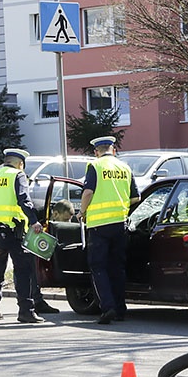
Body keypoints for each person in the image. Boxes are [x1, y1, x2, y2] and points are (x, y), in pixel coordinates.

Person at [0, 148, 47, 324]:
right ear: (20, 164)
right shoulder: (17, 176)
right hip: (15, 232)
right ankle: (26, 311)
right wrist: (34, 220)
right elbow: (23, 199)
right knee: (23, 271)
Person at [79, 136, 139, 324]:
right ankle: (120, 309)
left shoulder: (95, 166)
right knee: (117, 268)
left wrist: (82, 212)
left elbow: (88, 192)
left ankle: (108, 307)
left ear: (96, 151)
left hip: (98, 226)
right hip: (120, 224)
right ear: (113, 150)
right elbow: (135, 198)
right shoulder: (125, 168)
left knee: (98, 267)